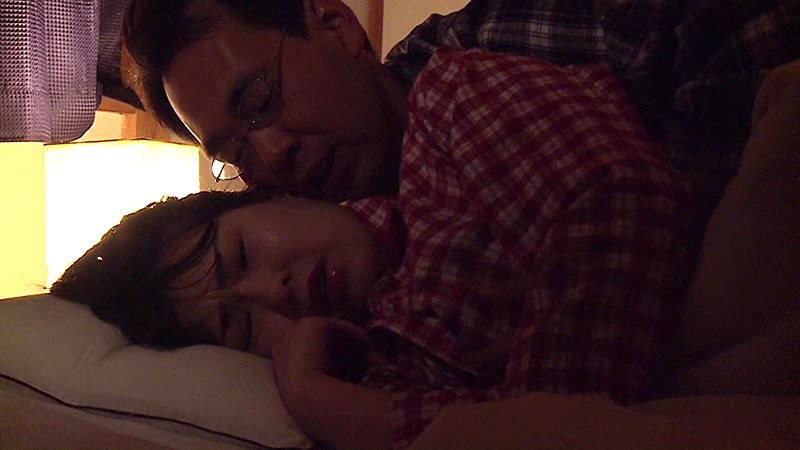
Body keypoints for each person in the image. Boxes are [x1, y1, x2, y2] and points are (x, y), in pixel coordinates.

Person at [53, 46, 691, 449]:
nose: (272, 292)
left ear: (274, 197)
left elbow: (618, 204)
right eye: (242, 327)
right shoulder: (377, 368)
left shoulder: (446, 115)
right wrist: (315, 394)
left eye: (242, 256)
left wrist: (533, 398)